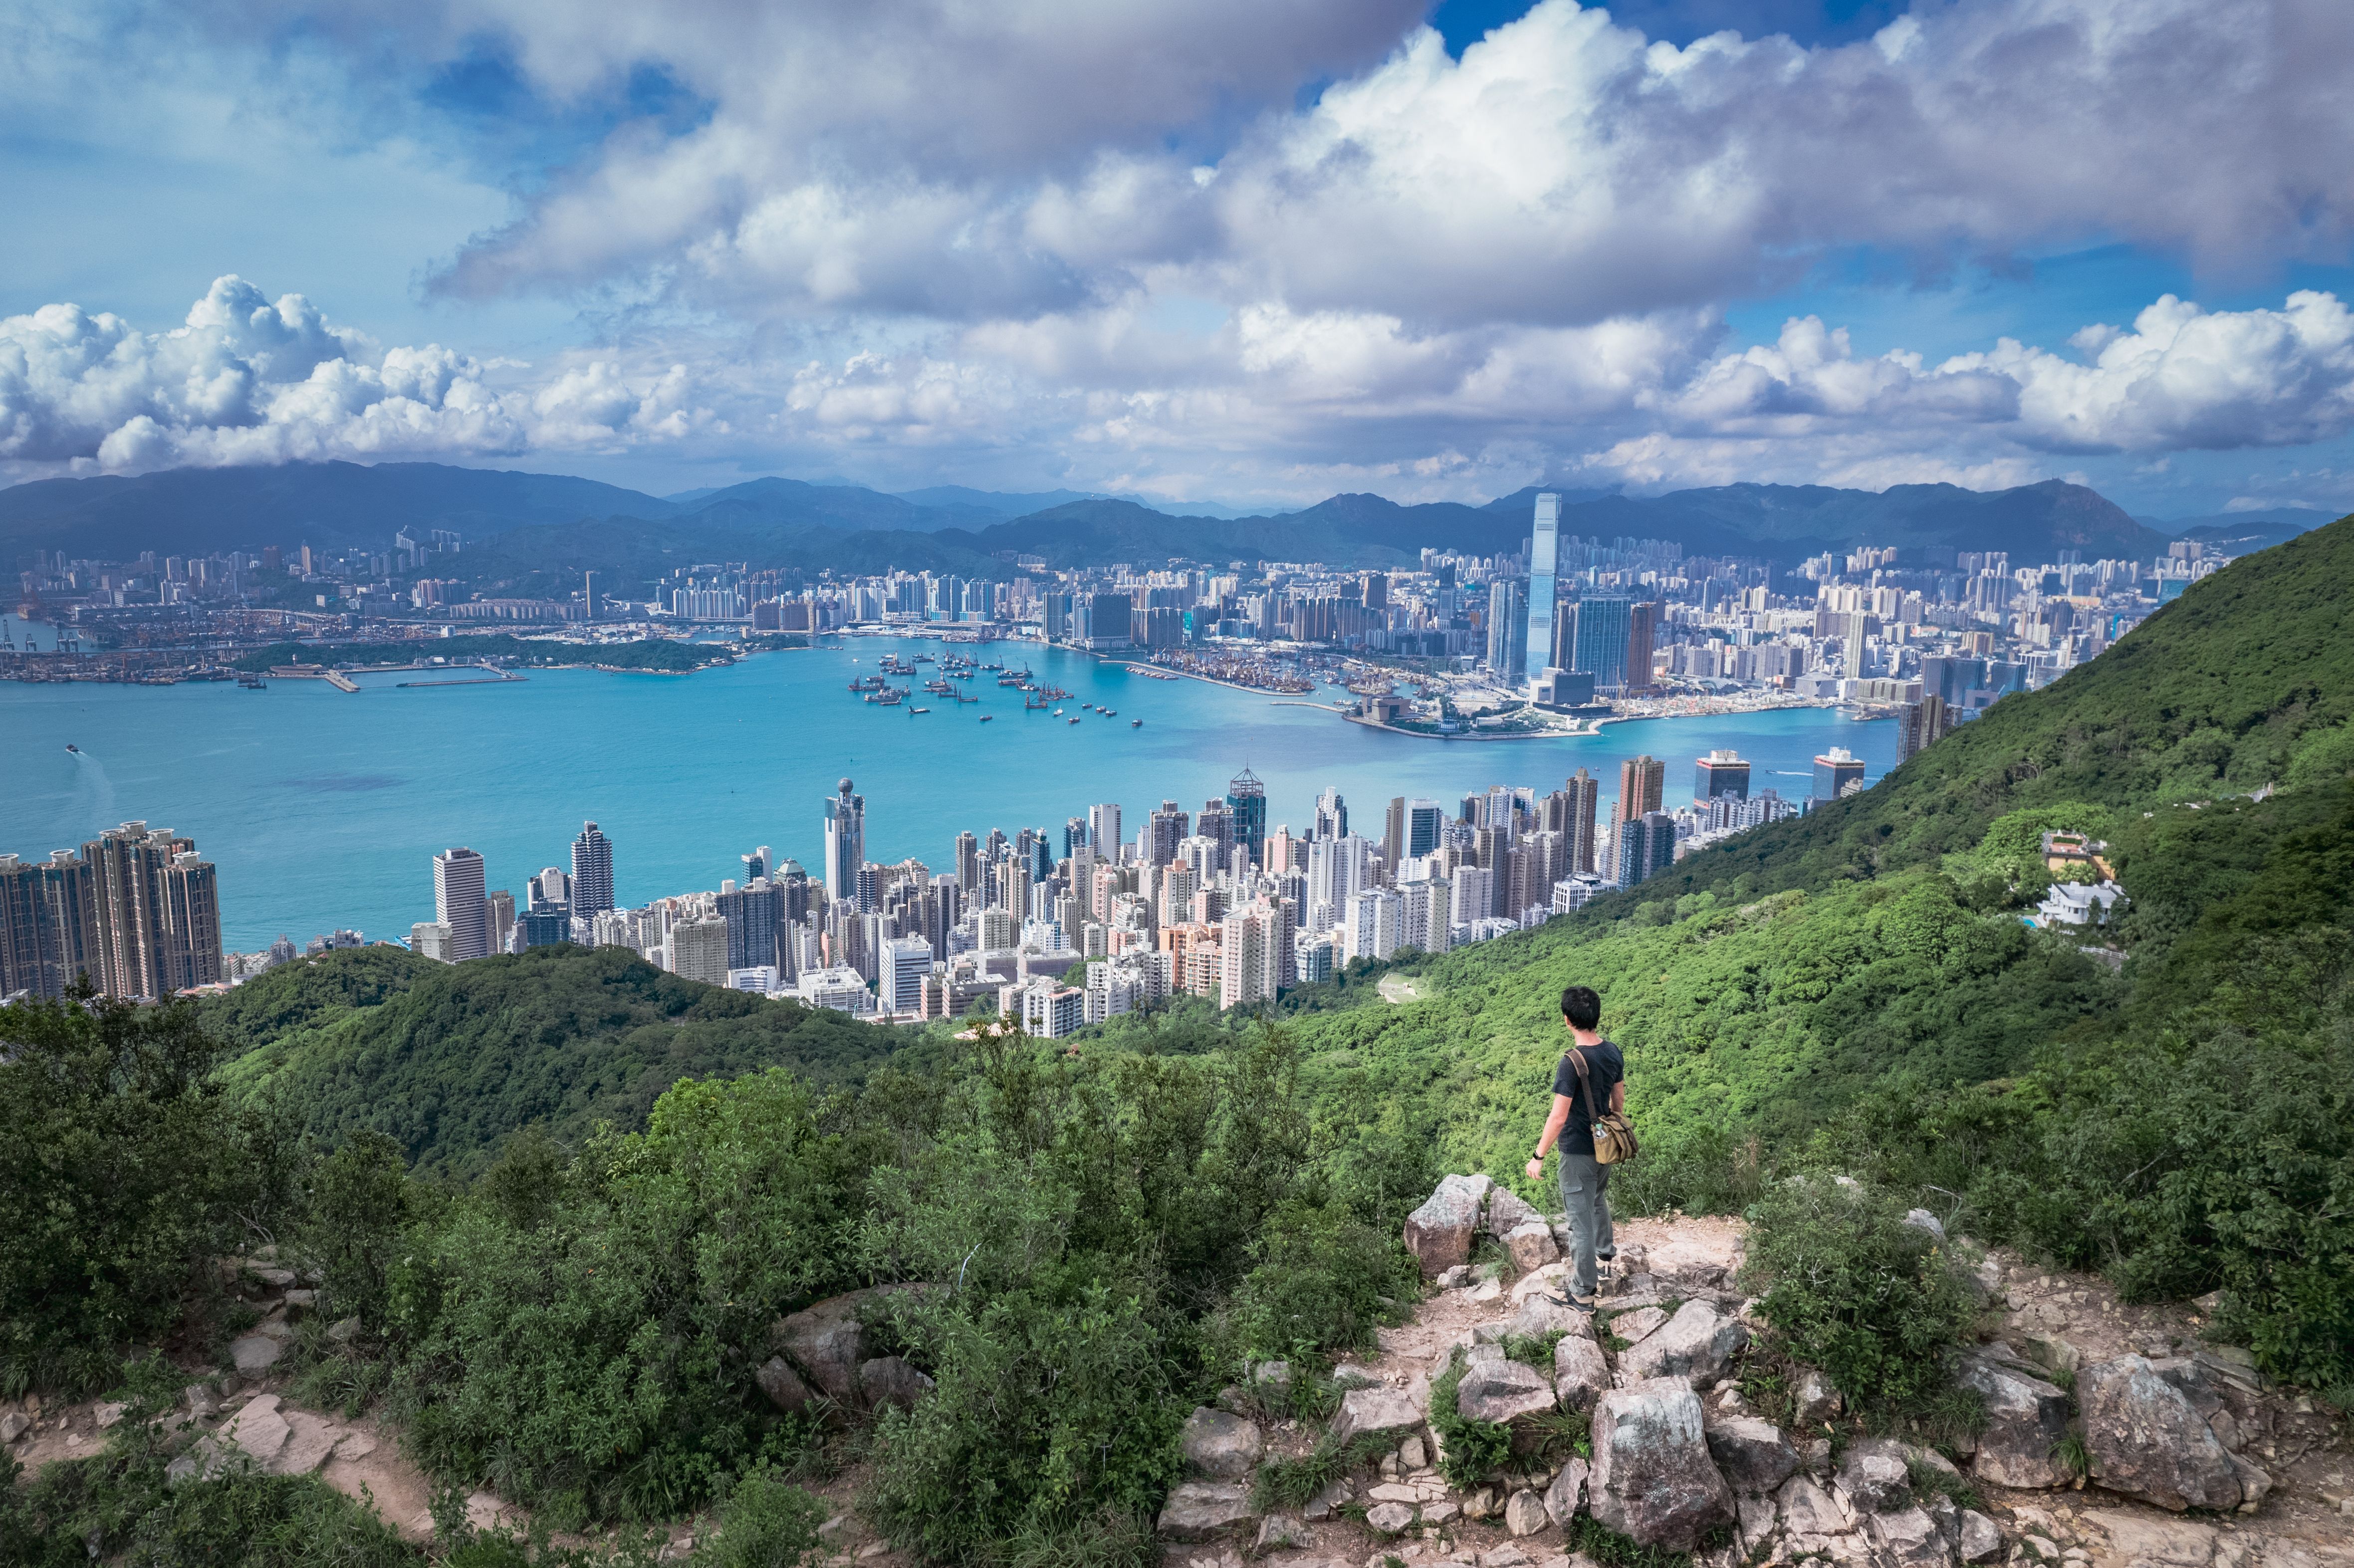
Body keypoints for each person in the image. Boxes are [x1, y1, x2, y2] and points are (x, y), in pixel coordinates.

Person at [1524, 984, 1624, 1309]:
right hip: (1605, 1145)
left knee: (1578, 1220)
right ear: (1596, 1016)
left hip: (1578, 1150)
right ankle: (1605, 1259)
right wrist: (1610, 1125)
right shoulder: (1613, 1051)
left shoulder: (1571, 1062)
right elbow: (1618, 1101)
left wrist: (1538, 1156)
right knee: (1597, 1200)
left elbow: (1558, 1117)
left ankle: (1582, 1293)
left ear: (1567, 1020)